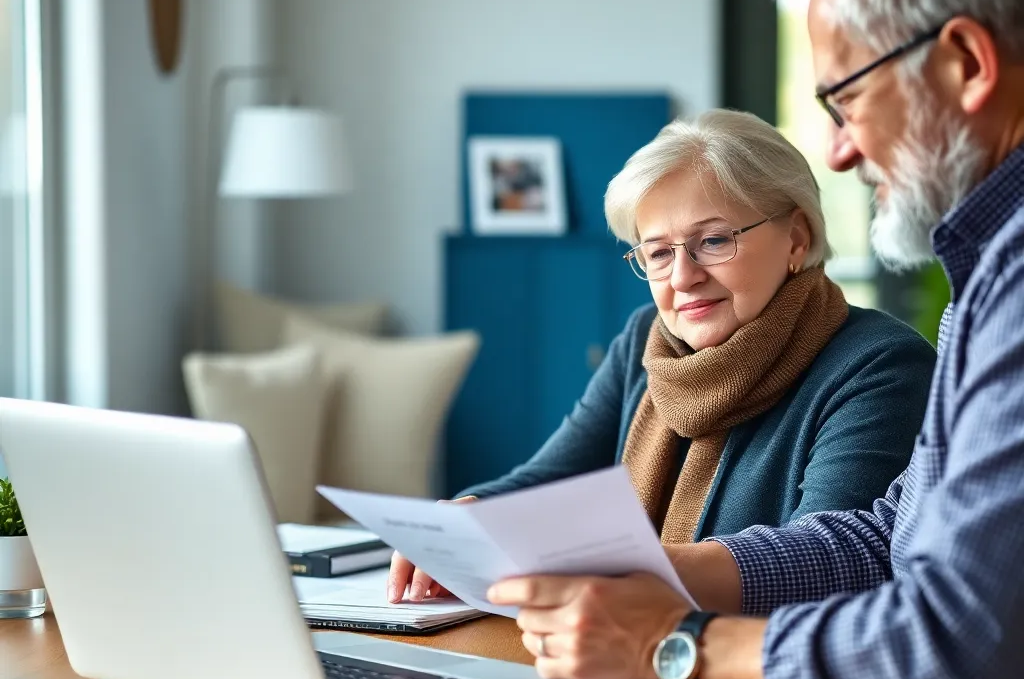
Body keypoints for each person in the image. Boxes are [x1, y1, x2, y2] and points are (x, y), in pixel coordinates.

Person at [488, 0, 1024, 679]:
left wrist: (677, 646)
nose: (839, 151)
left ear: (964, 63)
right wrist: (664, 576)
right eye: (655, 252)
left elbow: (951, 650)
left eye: (845, 99)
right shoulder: (987, 274)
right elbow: (882, 537)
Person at [389, 109, 934, 603]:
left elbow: (828, 568)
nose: (683, 276)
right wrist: (467, 517)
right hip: (618, 654)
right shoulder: (645, 340)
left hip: (749, 673)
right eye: (657, 253)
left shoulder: (880, 365)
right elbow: (550, 480)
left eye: (714, 241)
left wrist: (624, 573)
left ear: (795, 238)